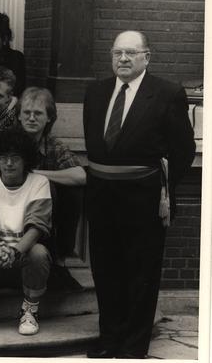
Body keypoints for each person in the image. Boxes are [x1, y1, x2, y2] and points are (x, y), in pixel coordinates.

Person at [83, 30, 195, 359]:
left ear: (147, 56)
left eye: (132, 53)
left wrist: (163, 190)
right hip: (102, 195)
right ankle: (109, 339)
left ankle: (132, 347)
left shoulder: (167, 94)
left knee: (140, 272)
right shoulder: (96, 91)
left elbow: (183, 150)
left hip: (143, 197)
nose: (124, 59)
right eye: (118, 53)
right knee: (106, 270)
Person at [0, 128, 52, 337]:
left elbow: (37, 226)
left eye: (15, 158)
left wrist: (15, 251)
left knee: (39, 253)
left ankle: (30, 309)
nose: (9, 163)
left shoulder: (39, 182)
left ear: (26, 160)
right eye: (4, 157)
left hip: (22, 254)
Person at [18, 87, 86, 292]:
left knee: (68, 191)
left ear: (49, 118)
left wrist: (38, 175)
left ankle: (59, 261)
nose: (31, 118)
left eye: (38, 113)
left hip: (45, 212)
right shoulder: (10, 141)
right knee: (49, 188)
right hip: (12, 206)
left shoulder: (52, 146)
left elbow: (80, 175)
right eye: (26, 113)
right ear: (19, 116)